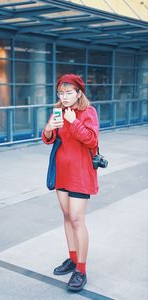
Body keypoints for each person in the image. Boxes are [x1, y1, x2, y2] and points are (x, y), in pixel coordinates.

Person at [42, 74, 99, 292]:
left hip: (81, 173)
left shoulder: (88, 112)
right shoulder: (57, 111)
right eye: (61, 93)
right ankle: (73, 259)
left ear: (78, 93)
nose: (64, 97)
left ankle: (81, 270)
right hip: (62, 172)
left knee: (77, 218)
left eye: (68, 93)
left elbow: (92, 140)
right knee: (66, 216)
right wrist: (49, 128)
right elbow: (48, 138)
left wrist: (74, 122)